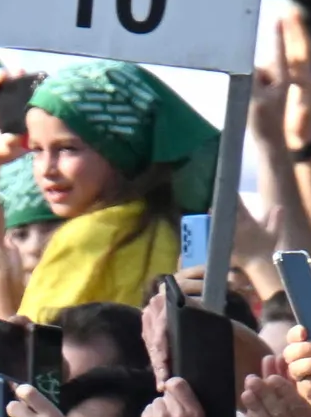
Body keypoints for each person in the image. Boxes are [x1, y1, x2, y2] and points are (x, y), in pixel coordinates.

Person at [18, 60, 212, 321]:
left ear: (119, 149)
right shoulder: (170, 230)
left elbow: (27, 352)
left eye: (67, 148)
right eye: (37, 150)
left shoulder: (85, 237)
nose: (46, 169)